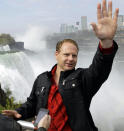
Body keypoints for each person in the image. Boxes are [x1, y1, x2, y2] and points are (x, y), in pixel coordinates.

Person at [2, 0, 119, 130]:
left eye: (74, 56)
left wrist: (106, 42)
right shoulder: (42, 79)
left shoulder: (82, 78)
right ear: (56, 54)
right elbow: (32, 103)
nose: (71, 59)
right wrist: (19, 112)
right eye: (66, 54)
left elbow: (100, 69)